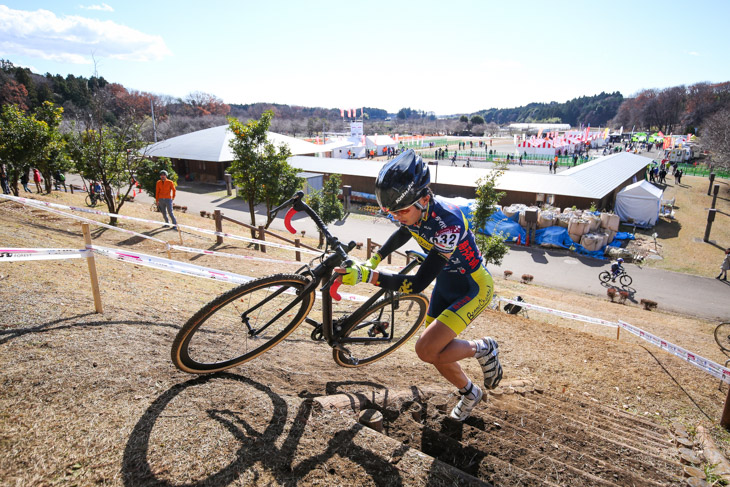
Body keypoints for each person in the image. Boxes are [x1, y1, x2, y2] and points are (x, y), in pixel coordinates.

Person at [335, 150, 502, 421]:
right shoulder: (413, 212)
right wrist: (373, 260)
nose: (398, 216)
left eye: (402, 210)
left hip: (473, 287)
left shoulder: (448, 222)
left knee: (426, 349)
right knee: (435, 353)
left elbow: (418, 283)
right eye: (391, 211)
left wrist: (368, 277)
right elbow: (404, 231)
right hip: (447, 281)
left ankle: (483, 348)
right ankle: (470, 392)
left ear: (425, 198)